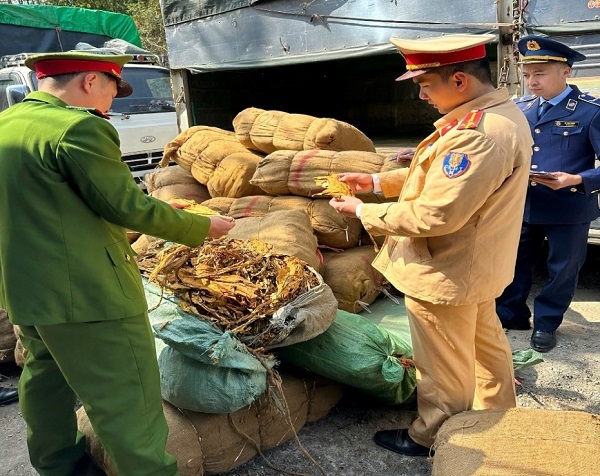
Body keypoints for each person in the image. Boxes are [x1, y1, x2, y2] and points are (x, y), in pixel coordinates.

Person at [0, 48, 235, 475]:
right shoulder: (77, 129)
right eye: (113, 91)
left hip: (25, 289)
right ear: (91, 81)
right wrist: (202, 227)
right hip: (86, 293)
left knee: (45, 377)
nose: (112, 104)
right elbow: (126, 207)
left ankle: (59, 464)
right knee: (126, 397)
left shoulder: (7, 124)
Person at [329, 34, 533, 456]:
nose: (421, 95)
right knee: (484, 347)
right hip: (474, 266)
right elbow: (440, 181)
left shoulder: (477, 135)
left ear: (459, 80)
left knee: (441, 366)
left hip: (447, 269)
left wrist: (363, 211)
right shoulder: (493, 116)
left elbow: (436, 215)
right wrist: (374, 182)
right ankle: (499, 420)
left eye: (425, 85)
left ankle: (436, 436)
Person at [495, 36, 600, 353]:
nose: (531, 81)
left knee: (562, 270)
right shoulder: (520, 108)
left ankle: (546, 323)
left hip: (568, 208)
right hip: (522, 205)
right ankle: (510, 316)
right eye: (527, 74)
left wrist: (578, 179)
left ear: (566, 72)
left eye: (539, 73)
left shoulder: (590, 112)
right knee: (512, 264)